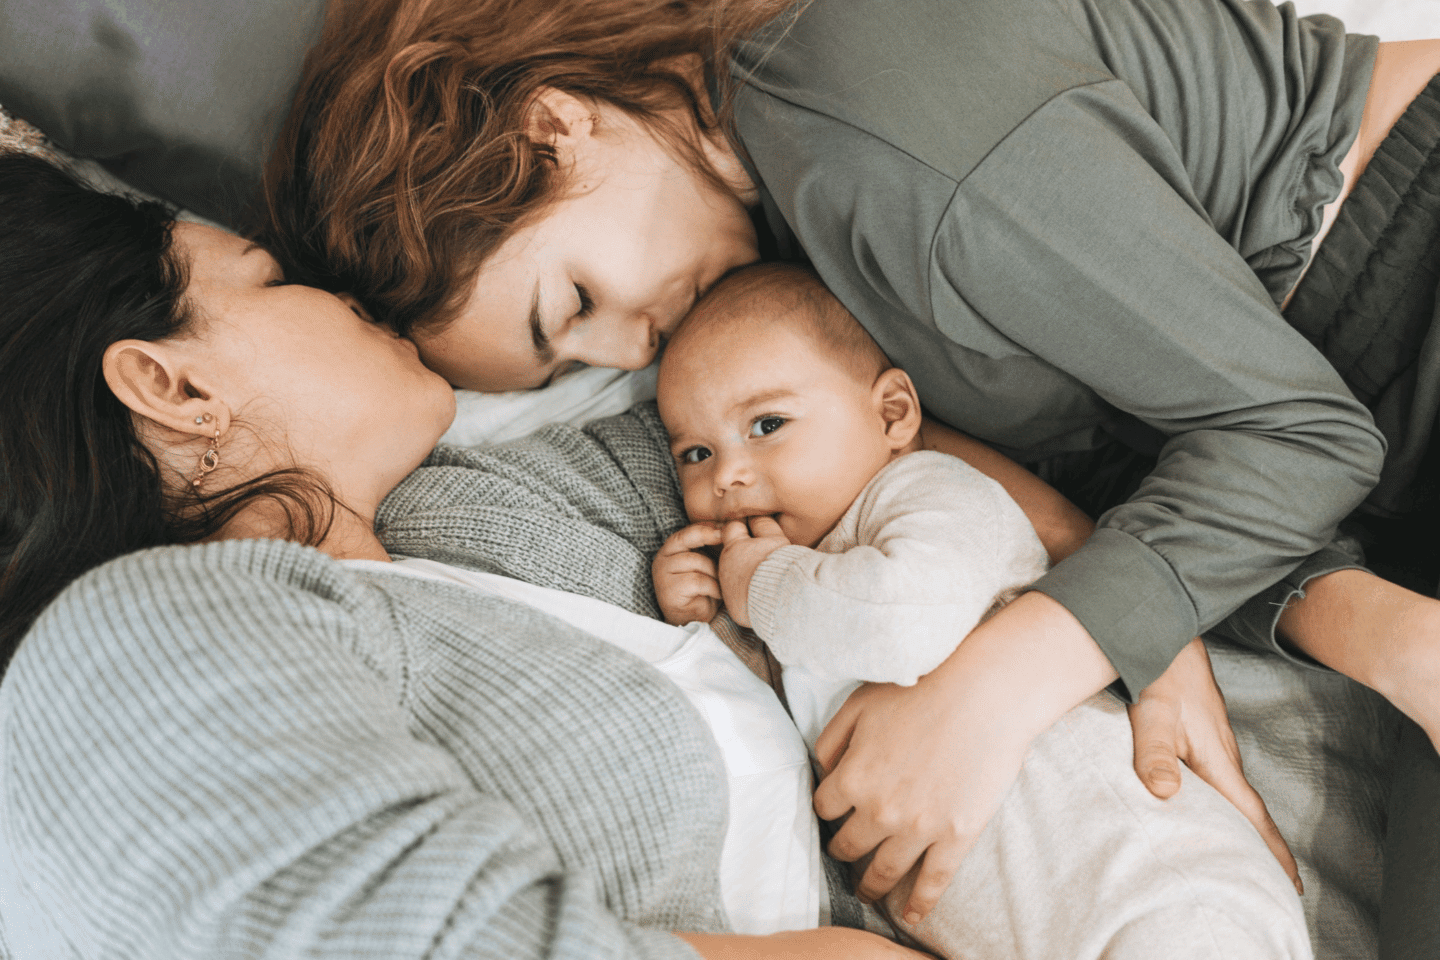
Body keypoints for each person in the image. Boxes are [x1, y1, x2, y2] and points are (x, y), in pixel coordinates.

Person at [262, 1, 1440, 953]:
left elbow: (1298, 433)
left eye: (570, 303)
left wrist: (1004, 685)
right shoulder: (766, 221)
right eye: (565, 362)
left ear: (556, 124)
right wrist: (1307, 617)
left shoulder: (863, 114)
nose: (628, 352)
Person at [0, 151, 934, 959]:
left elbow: (859, 444)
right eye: (273, 278)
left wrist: (1016, 667)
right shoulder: (119, 650)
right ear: (174, 385)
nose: (344, 293)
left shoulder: (469, 512)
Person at [650, 261, 1310, 957]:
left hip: (1154, 891)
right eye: (695, 452)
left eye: (767, 423)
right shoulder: (798, 572)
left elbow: (893, 625)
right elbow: (785, 700)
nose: (726, 475)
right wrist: (709, 617)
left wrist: (755, 584)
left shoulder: (931, 496)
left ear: (893, 415)